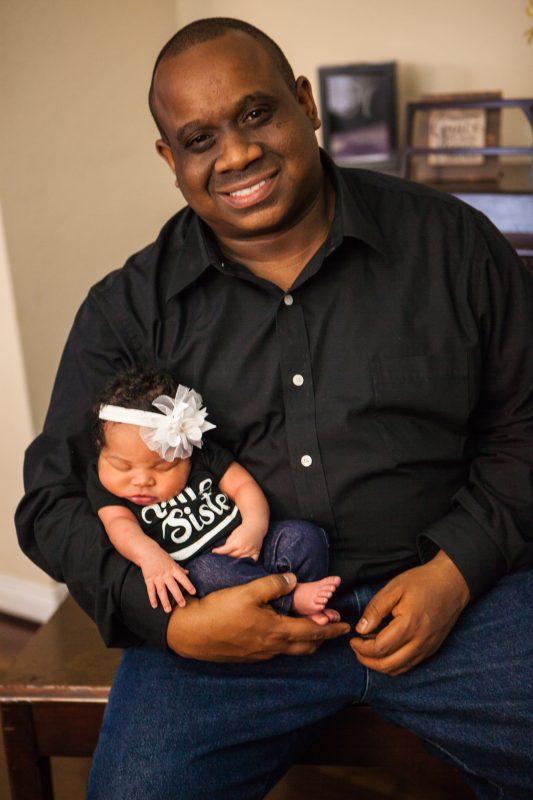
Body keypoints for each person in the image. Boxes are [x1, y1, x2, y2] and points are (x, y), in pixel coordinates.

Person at [15, 16, 533, 800]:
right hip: (220, 623)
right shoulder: (129, 310)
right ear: (170, 160)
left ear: (304, 103)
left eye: (255, 114)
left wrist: (456, 571)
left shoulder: (452, 245)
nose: (234, 155)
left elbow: (523, 423)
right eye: (199, 139)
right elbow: (52, 500)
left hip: (462, 598)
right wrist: (173, 623)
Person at [90, 366, 341, 621]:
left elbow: (243, 486)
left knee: (305, 537)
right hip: (202, 566)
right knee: (209, 574)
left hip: (249, 543)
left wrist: (255, 526)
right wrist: (150, 557)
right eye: (122, 467)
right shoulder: (106, 488)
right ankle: (292, 600)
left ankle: (299, 613)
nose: (141, 481)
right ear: (100, 448)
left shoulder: (203, 456)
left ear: (187, 452)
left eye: (162, 467)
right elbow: (120, 527)